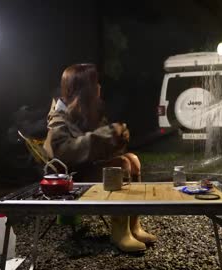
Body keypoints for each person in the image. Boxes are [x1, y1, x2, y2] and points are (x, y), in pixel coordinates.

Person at [43, 63, 156, 252]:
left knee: (132, 160)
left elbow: (101, 145)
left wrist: (117, 138)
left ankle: (133, 226)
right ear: (83, 89)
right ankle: (120, 233)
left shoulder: (87, 112)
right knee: (121, 165)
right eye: (95, 83)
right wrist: (106, 136)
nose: (99, 87)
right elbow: (63, 151)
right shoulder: (58, 117)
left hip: (88, 169)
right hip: (72, 178)